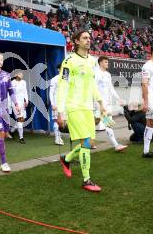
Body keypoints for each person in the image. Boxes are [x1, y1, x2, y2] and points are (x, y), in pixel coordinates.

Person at [57, 29, 106, 192]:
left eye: (89, 38)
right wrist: (60, 111)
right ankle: (86, 180)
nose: (88, 40)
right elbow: (62, 86)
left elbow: (93, 85)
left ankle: (67, 158)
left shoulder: (92, 61)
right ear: (76, 41)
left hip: (87, 107)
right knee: (86, 142)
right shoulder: (68, 61)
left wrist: (101, 103)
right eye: (84, 38)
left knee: (90, 142)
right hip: (74, 106)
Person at [95, 56, 127, 152]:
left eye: (107, 62)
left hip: (107, 103)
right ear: (100, 63)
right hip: (99, 103)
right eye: (105, 62)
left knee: (100, 122)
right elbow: (94, 89)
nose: (107, 64)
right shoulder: (96, 73)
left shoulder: (108, 74)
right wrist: (97, 103)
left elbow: (111, 89)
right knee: (106, 122)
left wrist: (118, 98)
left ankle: (87, 141)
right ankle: (116, 145)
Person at [49, 63, 64, 145]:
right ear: (58, 69)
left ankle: (60, 137)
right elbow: (51, 92)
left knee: (62, 121)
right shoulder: (54, 79)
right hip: (56, 103)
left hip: (64, 104)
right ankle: (57, 138)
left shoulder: (67, 79)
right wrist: (53, 104)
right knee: (56, 120)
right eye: (62, 68)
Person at [11, 71, 28, 144]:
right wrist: (12, 104)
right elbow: (10, 94)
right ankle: (21, 138)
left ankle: (11, 131)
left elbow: (25, 92)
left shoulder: (24, 82)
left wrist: (26, 101)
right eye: (20, 74)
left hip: (22, 103)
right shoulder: (12, 83)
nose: (22, 75)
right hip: (16, 103)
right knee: (20, 119)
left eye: (22, 74)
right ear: (16, 75)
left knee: (21, 120)